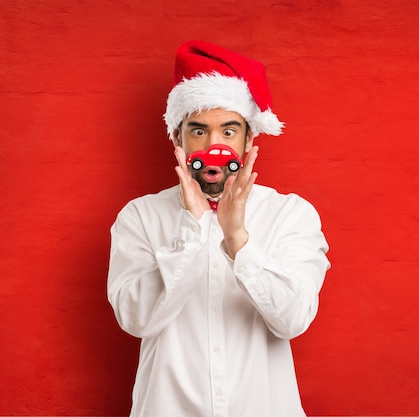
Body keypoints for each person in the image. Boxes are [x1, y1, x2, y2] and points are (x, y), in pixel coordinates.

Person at [107, 40, 330, 417]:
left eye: (229, 132)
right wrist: (191, 231)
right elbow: (137, 320)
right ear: (177, 138)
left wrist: (238, 240)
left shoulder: (291, 214)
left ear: (248, 141)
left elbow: (292, 320)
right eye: (198, 131)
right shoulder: (139, 217)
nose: (214, 146)